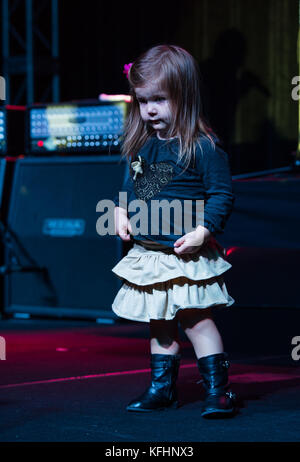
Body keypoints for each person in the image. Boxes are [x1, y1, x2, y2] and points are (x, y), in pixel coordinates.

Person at [111, 44, 237, 418]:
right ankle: (162, 388)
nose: (150, 110)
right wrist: (120, 209)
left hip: (187, 253)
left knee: (196, 319)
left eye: (160, 100)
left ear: (185, 96)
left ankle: (218, 390)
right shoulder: (143, 147)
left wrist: (204, 230)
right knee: (160, 321)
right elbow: (135, 188)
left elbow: (221, 194)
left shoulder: (202, 147)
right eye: (144, 101)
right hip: (151, 254)